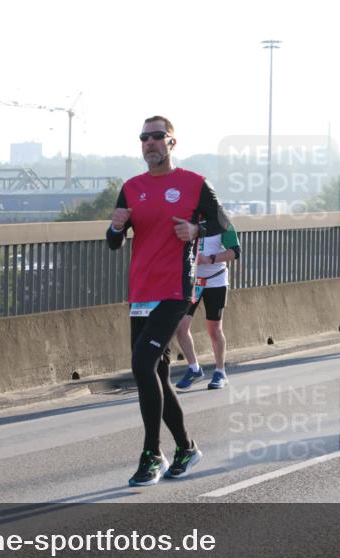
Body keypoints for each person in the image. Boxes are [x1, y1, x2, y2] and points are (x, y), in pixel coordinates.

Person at [107, 115, 230, 486]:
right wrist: (115, 226)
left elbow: (223, 223)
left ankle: (151, 454)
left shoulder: (194, 183)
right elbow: (114, 243)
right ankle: (186, 448)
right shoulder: (131, 188)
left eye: (157, 136)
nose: (150, 143)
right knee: (155, 373)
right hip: (140, 294)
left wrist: (196, 229)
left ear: (171, 143)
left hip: (176, 290)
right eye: (144, 137)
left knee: (142, 364)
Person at [174, 221, 241, 390]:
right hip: (192, 282)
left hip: (216, 280)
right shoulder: (188, 219)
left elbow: (235, 252)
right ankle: (194, 368)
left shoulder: (222, 222)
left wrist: (210, 259)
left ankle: (220, 372)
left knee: (214, 329)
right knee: (180, 327)